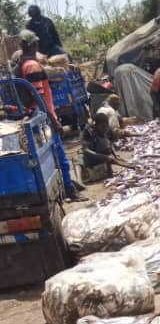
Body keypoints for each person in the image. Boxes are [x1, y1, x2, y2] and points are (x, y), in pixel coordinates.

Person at [15, 31, 82, 200]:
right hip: (42, 117)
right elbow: (39, 98)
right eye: (36, 44)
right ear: (32, 45)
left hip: (34, 115)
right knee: (59, 154)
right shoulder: (32, 66)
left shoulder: (21, 64)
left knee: (48, 155)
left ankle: (64, 188)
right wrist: (54, 121)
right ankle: (69, 190)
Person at [81, 112, 125, 178]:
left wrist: (115, 156)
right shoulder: (88, 131)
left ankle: (108, 169)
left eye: (106, 126)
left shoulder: (107, 129)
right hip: (91, 158)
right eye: (103, 127)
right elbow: (85, 150)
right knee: (78, 158)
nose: (105, 129)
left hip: (102, 157)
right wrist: (104, 157)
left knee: (105, 144)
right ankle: (80, 179)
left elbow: (109, 144)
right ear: (96, 125)